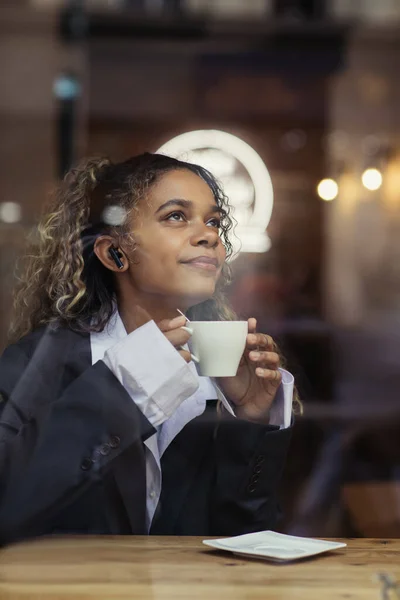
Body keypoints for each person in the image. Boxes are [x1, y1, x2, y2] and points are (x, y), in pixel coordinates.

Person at [0, 153, 294, 545]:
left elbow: (245, 539)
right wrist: (124, 390)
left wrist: (252, 421)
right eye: (176, 216)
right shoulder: (39, 363)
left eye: (213, 221)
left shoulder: (216, 376)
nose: (209, 235)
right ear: (114, 253)